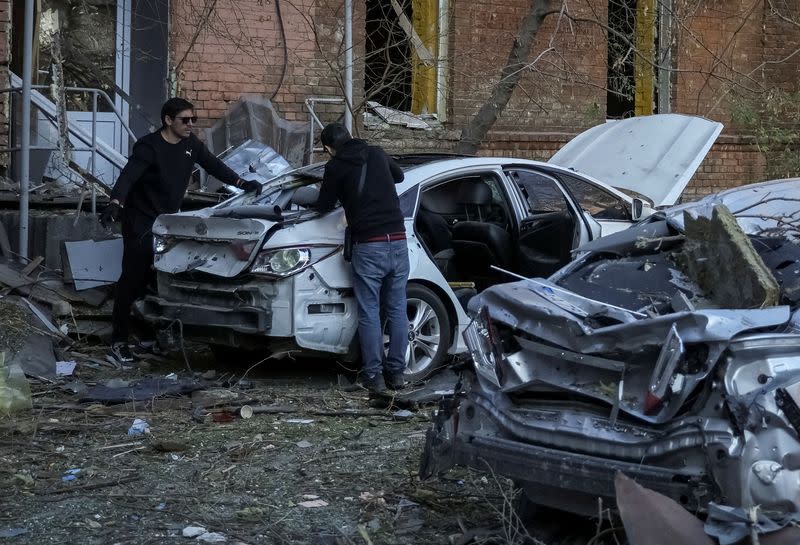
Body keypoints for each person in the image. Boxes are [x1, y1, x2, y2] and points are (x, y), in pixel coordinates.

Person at [99, 97, 261, 364]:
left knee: (159, 278)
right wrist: (116, 202)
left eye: (193, 120)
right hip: (140, 221)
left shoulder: (191, 145)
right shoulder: (149, 147)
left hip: (167, 222)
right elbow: (128, 175)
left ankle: (150, 337)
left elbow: (214, 165)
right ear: (168, 120)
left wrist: (242, 182)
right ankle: (118, 341)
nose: (190, 125)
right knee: (132, 279)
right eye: (185, 120)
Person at [314, 123, 409, 394]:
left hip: (369, 245)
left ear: (328, 148)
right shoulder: (377, 153)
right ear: (350, 136)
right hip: (398, 240)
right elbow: (399, 177)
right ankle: (397, 374)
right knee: (397, 309)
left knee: (369, 311)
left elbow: (324, 205)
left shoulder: (335, 167)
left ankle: (374, 377)